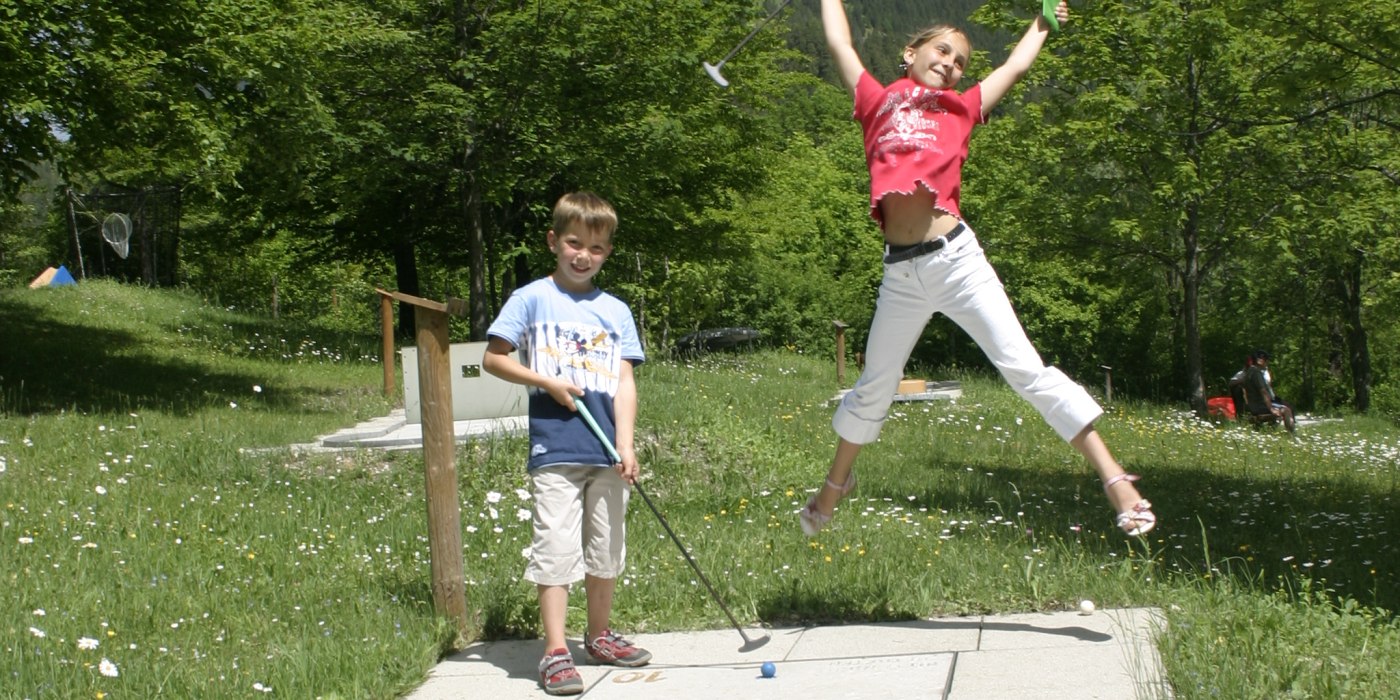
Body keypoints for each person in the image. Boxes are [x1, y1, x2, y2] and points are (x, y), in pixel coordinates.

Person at [801, 0, 1155, 538]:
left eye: (961, 61)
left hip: (957, 263)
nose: (950, 63)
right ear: (910, 53)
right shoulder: (876, 99)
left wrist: (1042, 22)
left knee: (1025, 370)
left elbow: (1015, 66)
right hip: (901, 276)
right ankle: (834, 487)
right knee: (875, 384)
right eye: (942, 51)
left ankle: (1115, 478)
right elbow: (840, 44)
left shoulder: (962, 108)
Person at [482, 191, 651, 696]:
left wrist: (626, 443)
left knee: (607, 546)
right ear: (553, 241)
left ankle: (598, 636)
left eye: (596, 249)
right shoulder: (531, 298)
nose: (584, 256)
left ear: (608, 253)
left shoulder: (616, 310)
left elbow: (624, 381)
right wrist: (547, 382)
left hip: (607, 452)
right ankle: (555, 650)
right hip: (556, 447)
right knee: (555, 546)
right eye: (574, 244)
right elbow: (494, 358)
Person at [1243, 349, 1295, 433]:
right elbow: (1263, 392)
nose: (1268, 362)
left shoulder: (1249, 372)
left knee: (1283, 407)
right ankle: (1292, 435)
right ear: (1260, 361)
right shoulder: (1256, 373)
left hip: (1253, 406)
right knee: (1287, 410)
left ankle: (1269, 431)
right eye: (1266, 360)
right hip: (1260, 407)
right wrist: (1271, 409)